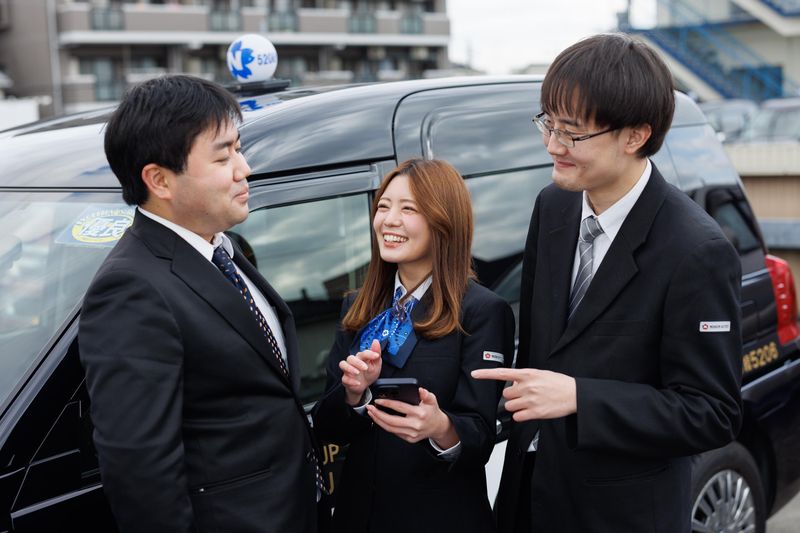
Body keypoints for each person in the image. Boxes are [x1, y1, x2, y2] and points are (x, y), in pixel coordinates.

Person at [472, 33, 743, 533]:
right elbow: (536, 354)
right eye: (548, 124)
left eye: (572, 134)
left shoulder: (696, 250)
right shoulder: (552, 206)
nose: (553, 145)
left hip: (621, 514)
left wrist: (581, 397)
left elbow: (712, 413)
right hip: (529, 492)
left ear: (635, 136)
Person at [79, 75, 319, 533]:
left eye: (239, 150)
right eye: (223, 157)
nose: (244, 168)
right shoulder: (130, 290)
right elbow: (141, 472)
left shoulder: (223, 248)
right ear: (159, 180)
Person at [313, 158, 515, 533]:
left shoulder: (481, 311)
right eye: (384, 207)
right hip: (359, 517)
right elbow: (327, 428)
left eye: (409, 209)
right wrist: (354, 394)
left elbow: (481, 437)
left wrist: (440, 427)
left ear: (443, 221)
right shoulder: (358, 306)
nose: (389, 220)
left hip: (439, 517)